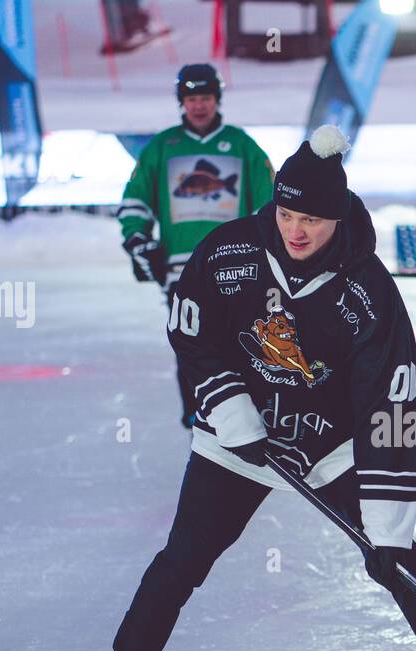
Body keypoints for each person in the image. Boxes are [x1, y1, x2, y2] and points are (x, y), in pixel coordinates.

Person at [77, 126, 416, 651]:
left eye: (310, 218)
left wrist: (387, 530)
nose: (296, 230)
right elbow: (191, 331)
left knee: (402, 566)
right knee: (181, 561)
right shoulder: (230, 252)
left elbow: (393, 404)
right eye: (286, 213)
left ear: (336, 216)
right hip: (237, 439)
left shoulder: (368, 292)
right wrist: (232, 412)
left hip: (329, 446)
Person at [117, 64, 275, 427]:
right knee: (190, 346)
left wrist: (266, 247)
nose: (199, 106)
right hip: (181, 271)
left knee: (239, 346)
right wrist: (137, 239)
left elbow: (269, 204)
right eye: (191, 99)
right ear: (182, 103)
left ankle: (242, 421)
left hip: (235, 267)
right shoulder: (162, 146)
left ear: (217, 99)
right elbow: (135, 199)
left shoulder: (241, 144)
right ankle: (198, 418)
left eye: (205, 98)